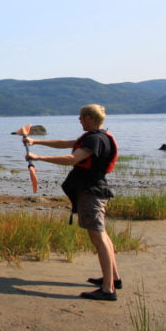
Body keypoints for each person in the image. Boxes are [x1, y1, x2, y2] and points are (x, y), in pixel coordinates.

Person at [25, 104, 121, 301]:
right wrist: (36, 142)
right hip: (93, 191)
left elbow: (72, 158)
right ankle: (114, 278)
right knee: (103, 237)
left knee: (99, 238)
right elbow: (65, 143)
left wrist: (38, 157)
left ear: (89, 118)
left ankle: (108, 289)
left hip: (91, 192)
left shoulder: (95, 139)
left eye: (81, 117)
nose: (79, 120)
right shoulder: (96, 136)